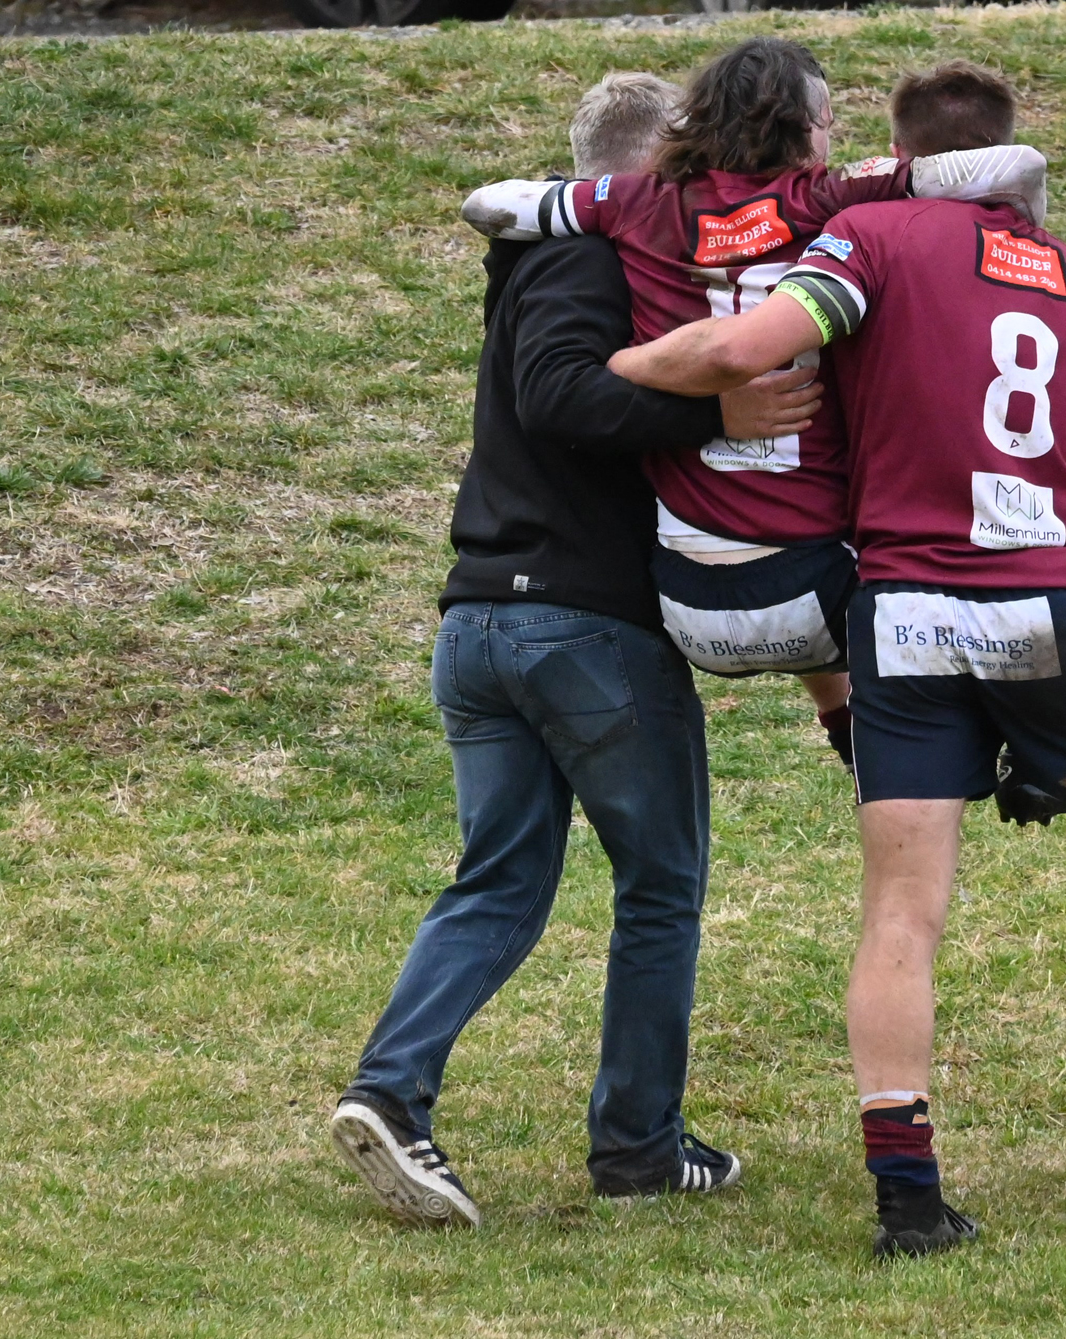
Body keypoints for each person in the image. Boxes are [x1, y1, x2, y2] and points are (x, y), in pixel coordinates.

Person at [607, 61, 1066, 1260]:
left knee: (903, 907)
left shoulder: (867, 238)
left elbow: (746, 349)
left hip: (899, 611)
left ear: (905, 157)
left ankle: (907, 1191)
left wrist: (626, 370)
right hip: (1042, 606)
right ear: (1008, 156)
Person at [330, 73, 822, 1228]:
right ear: (654, 163)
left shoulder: (550, 257)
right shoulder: (590, 255)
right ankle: (639, 1146)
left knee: (499, 879)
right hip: (582, 628)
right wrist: (712, 417)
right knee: (661, 887)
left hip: (482, 623)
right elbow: (558, 396)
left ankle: (390, 1095)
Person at [461, 39, 1047, 767]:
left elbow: (486, 205)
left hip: (685, 598)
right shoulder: (831, 196)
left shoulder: (634, 201)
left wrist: (581, 202)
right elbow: (1010, 167)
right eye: (827, 121)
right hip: (825, 587)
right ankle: (1032, 739)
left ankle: (849, 723)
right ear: (808, 125)